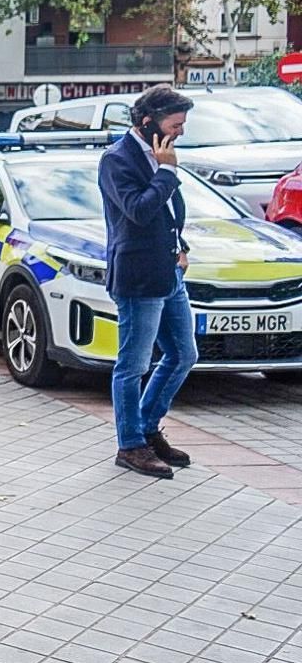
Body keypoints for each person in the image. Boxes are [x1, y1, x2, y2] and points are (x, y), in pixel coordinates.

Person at [99, 84, 198, 479]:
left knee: (183, 354)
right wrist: (167, 171)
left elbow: (167, 211)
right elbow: (138, 212)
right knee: (133, 364)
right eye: (176, 124)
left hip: (169, 270)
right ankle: (131, 445)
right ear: (147, 123)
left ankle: (147, 426)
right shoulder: (116, 160)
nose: (181, 132)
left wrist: (181, 243)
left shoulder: (163, 155)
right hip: (138, 277)